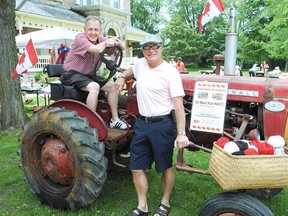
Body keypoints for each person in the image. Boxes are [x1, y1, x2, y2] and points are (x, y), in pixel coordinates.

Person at [115, 35, 190, 216]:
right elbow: (128, 71)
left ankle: (164, 203)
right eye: (147, 47)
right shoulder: (140, 65)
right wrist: (120, 77)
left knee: (165, 166)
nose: (151, 50)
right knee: (136, 166)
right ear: (143, 50)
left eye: (154, 46)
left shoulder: (170, 72)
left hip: (163, 125)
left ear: (161, 48)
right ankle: (143, 206)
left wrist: (181, 133)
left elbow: (179, 107)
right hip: (142, 124)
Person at [60, 15, 127, 129]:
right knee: (94, 87)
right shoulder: (80, 38)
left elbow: (123, 47)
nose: (93, 32)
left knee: (113, 87)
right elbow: (96, 49)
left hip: (89, 75)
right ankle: (90, 123)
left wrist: (116, 42)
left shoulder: (101, 40)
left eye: (96, 30)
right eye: (90, 29)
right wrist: (108, 42)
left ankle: (115, 120)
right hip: (71, 74)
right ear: (84, 29)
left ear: (100, 31)